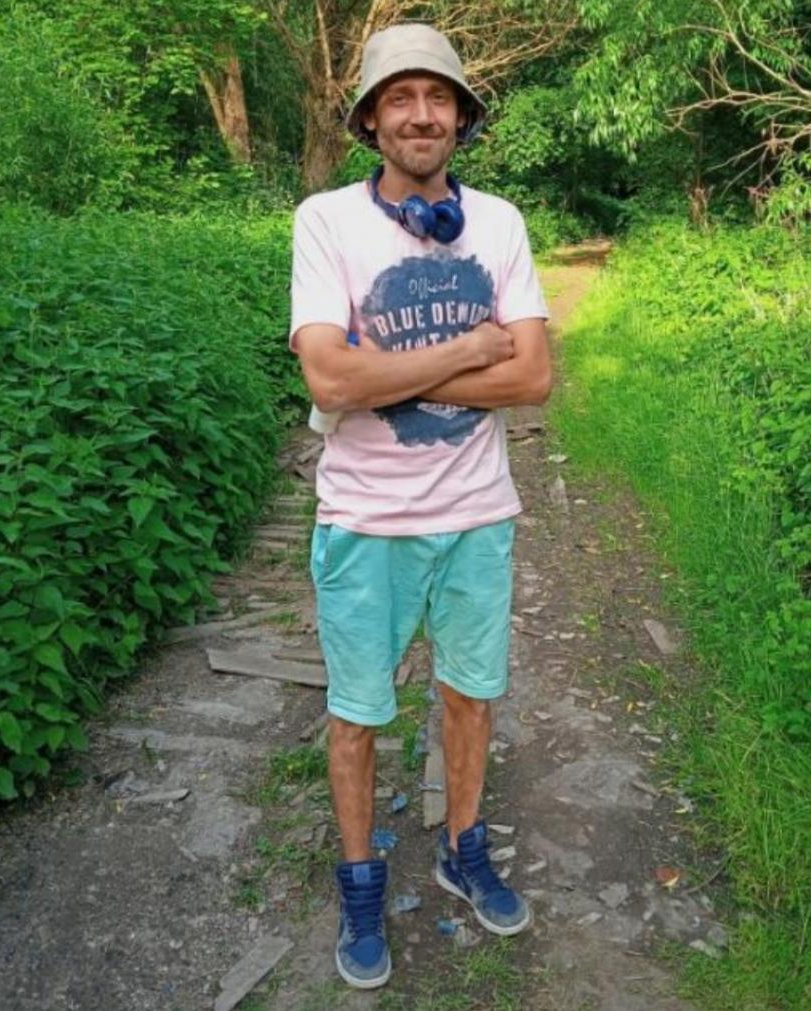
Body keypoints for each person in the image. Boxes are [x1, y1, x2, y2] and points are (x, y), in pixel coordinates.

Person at [288, 22, 551, 990]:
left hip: (478, 513)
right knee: (358, 713)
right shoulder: (326, 221)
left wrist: (385, 371)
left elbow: (533, 380)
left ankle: (462, 846)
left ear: (461, 117)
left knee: (470, 696)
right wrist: (469, 349)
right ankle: (361, 878)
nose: (421, 113)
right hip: (365, 523)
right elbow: (328, 377)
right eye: (398, 97)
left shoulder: (500, 222)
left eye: (438, 96)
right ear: (369, 118)